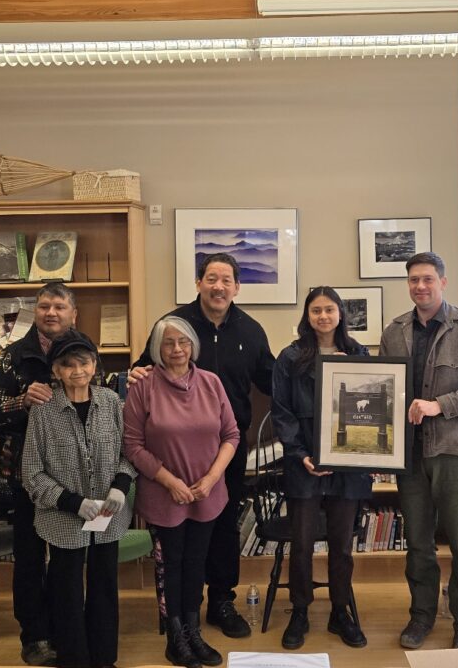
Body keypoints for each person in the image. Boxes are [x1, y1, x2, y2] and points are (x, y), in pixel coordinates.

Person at [130, 252, 274, 637]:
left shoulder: (251, 331)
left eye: (227, 280)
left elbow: (274, 383)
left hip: (226, 446)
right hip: (171, 450)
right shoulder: (174, 324)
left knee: (223, 525)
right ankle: (180, 613)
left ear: (237, 287)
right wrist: (134, 371)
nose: (219, 286)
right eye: (211, 278)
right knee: (180, 533)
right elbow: (143, 369)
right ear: (198, 283)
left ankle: (221, 602)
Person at [379, 252, 458, 650]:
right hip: (409, 457)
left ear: (443, 282)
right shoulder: (394, 331)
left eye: (427, 279)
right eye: (413, 280)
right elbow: (384, 389)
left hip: (455, 453)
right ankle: (421, 616)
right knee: (418, 544)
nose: (420, 286)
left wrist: (439, 405)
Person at [0, 283, 100, 666]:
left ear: (73, 314)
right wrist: (22, 401)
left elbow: (99, 404)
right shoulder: (13, 356)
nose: (52, 312)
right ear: (36, 311)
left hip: (77, 480)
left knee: (69, 559)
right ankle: (35, 635)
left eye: (60, 306)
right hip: (26, 477)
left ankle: (69, 629)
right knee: (31, 558)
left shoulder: (86, 350)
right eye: (44, 306)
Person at [124, 317, 240, 668]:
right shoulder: (143, 387)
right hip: (164, 495)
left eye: (183, 342)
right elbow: (132, 445)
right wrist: (170, 482)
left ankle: (193, 629)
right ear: (157, 348)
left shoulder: (210, 382)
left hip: (207, 492)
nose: (177, 350)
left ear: (193, 346)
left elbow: (230, 435)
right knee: (170, 565)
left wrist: (211, 479)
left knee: (196, 563)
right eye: (169, 343)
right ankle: (175, 636)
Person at [22, 329, 135, 668]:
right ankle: (74, 659)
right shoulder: (43, 412)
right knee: (66, 591)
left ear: (95, 364)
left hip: (108, 514)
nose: (77, 371)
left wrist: (120, 484)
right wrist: (72, 502)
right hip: (63, 518)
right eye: (67, 365)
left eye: (83, 362)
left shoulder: (111, 402)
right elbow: (32, 473)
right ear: (55, 370)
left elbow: (128, 454)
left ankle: (104, 659)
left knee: (104, 587)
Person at [271, 287, 371, 651]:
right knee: (301, 544)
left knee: (342, 545)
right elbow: (282, 411)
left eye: (329, 310)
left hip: (349, 465)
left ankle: (340, 610)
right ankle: (300, 610)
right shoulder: (290, 357)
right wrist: (300, 455)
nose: (323, 317)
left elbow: (372, 407)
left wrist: (354, 370)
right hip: (304, 463)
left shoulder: (359, 352)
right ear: (307, 316)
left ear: (341, 313)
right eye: (316, 310)